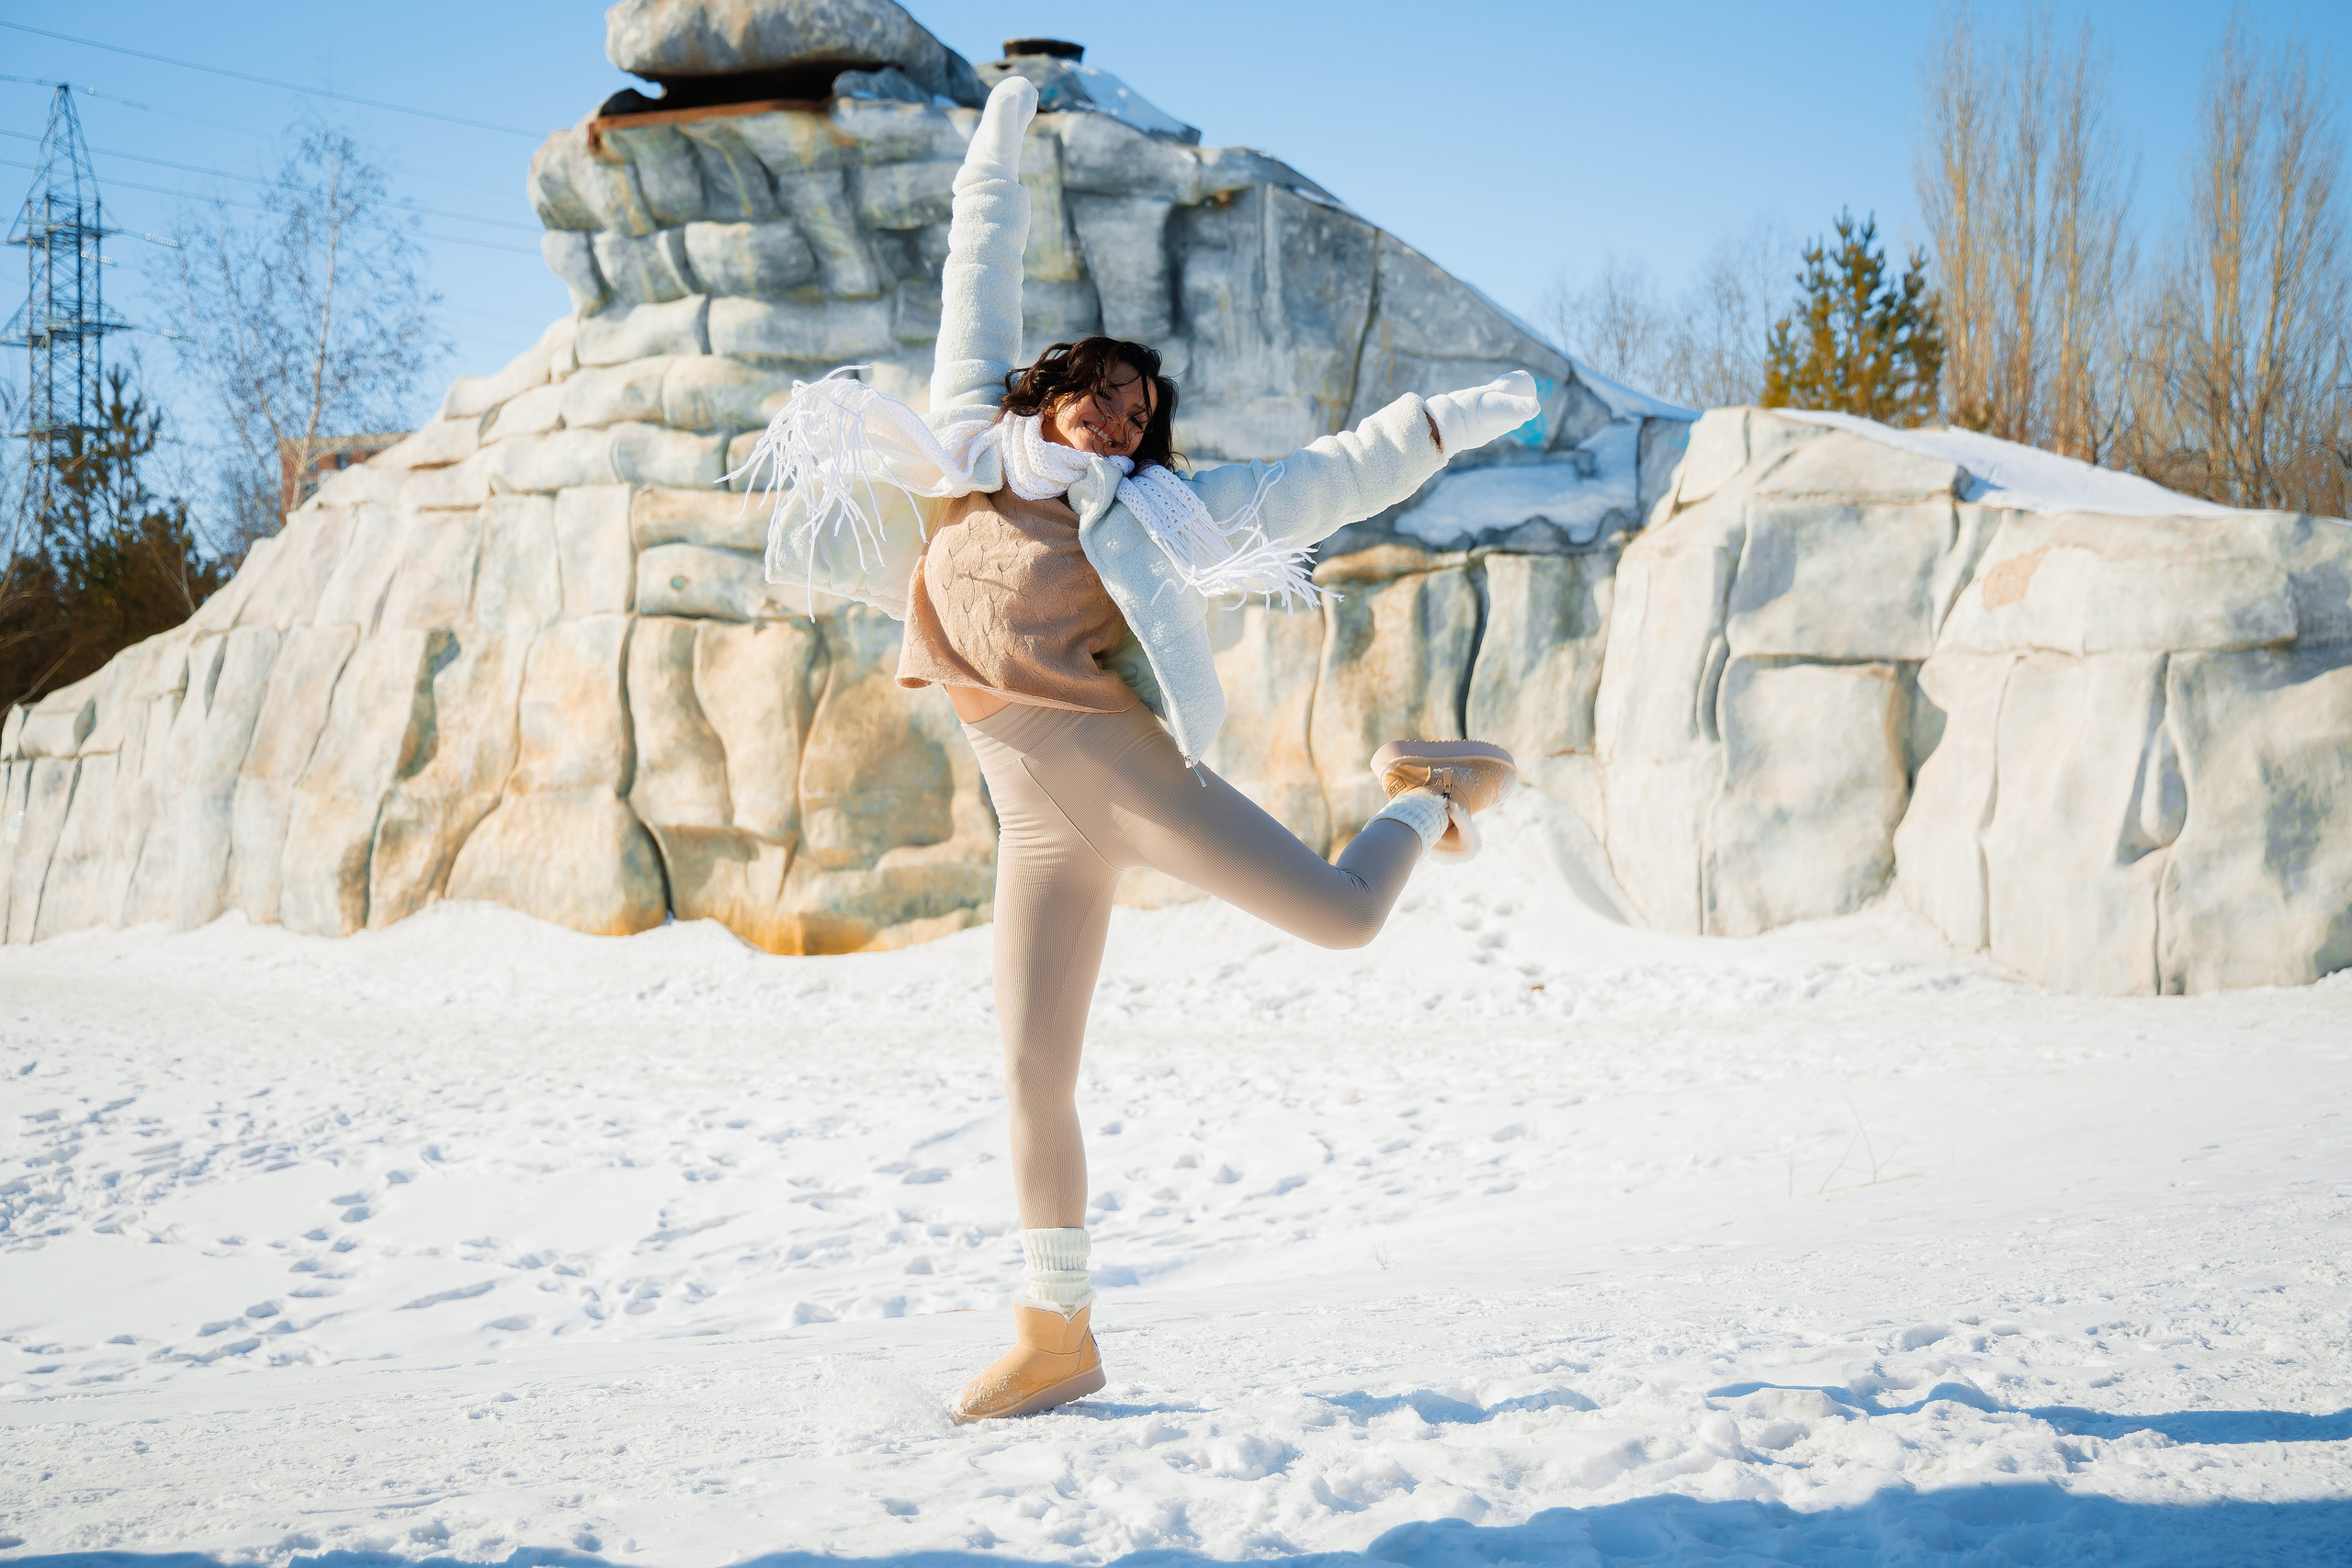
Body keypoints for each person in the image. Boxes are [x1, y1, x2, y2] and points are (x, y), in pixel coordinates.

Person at [737, 76, 1536, 1422]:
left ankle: (1429, 794)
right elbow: (978, 264)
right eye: (1102, 396)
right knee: (1029, 1073)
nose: (1118, 421)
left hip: (1117, 774)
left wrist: (1445, 424)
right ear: (1050, 391)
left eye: (1138, 413)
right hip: (1031, 817)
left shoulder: (1154, 515)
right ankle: (1058, 1336)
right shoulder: (961, 443)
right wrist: (998, 138)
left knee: (1346, 922)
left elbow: (1320, 482)